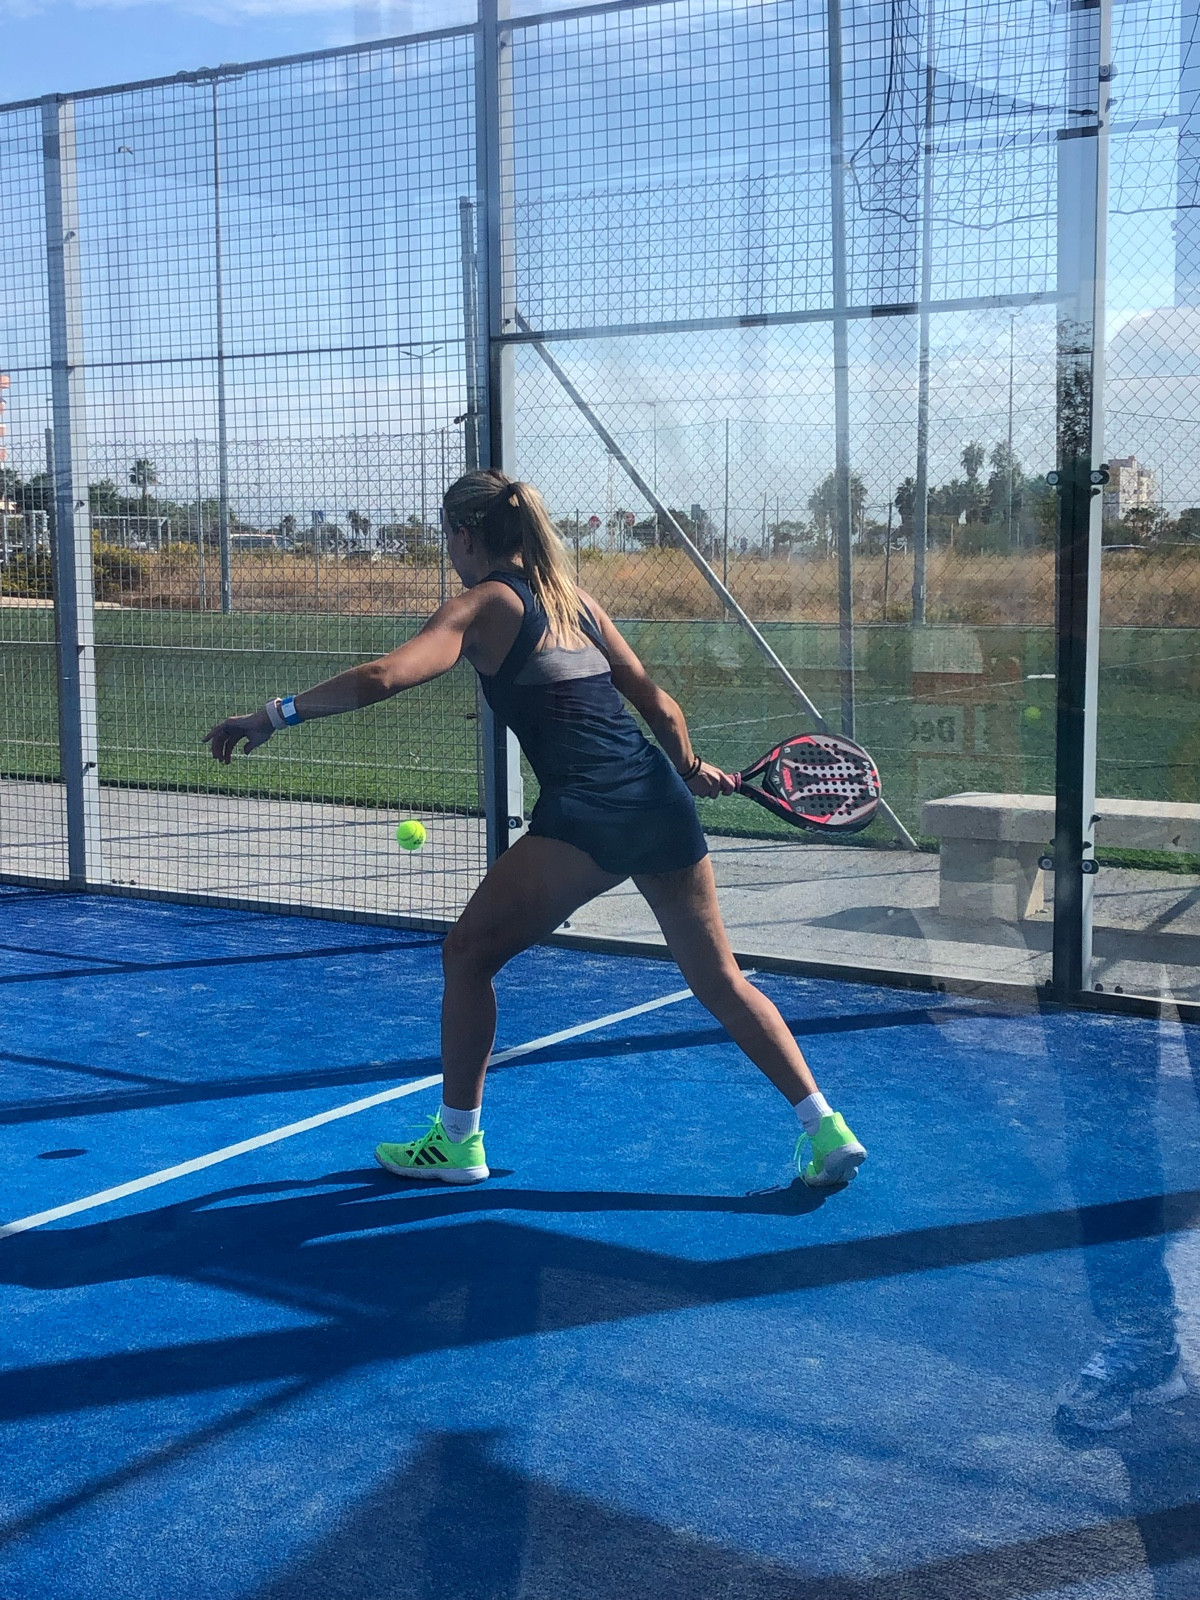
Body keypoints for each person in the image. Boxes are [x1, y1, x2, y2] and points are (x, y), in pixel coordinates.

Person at [205, 470, 866, 1189]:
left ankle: (457, 1141)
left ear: (465, 536)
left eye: (447, 537)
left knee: (467, 956)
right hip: (658, 799)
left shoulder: (484, 605)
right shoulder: (577, 602)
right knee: (721, 980)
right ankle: (827, 1128)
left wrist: (271, 716)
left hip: (590, 812)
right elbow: (661, 709)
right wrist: (687, 767)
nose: (449, 550)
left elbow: (384, 676)